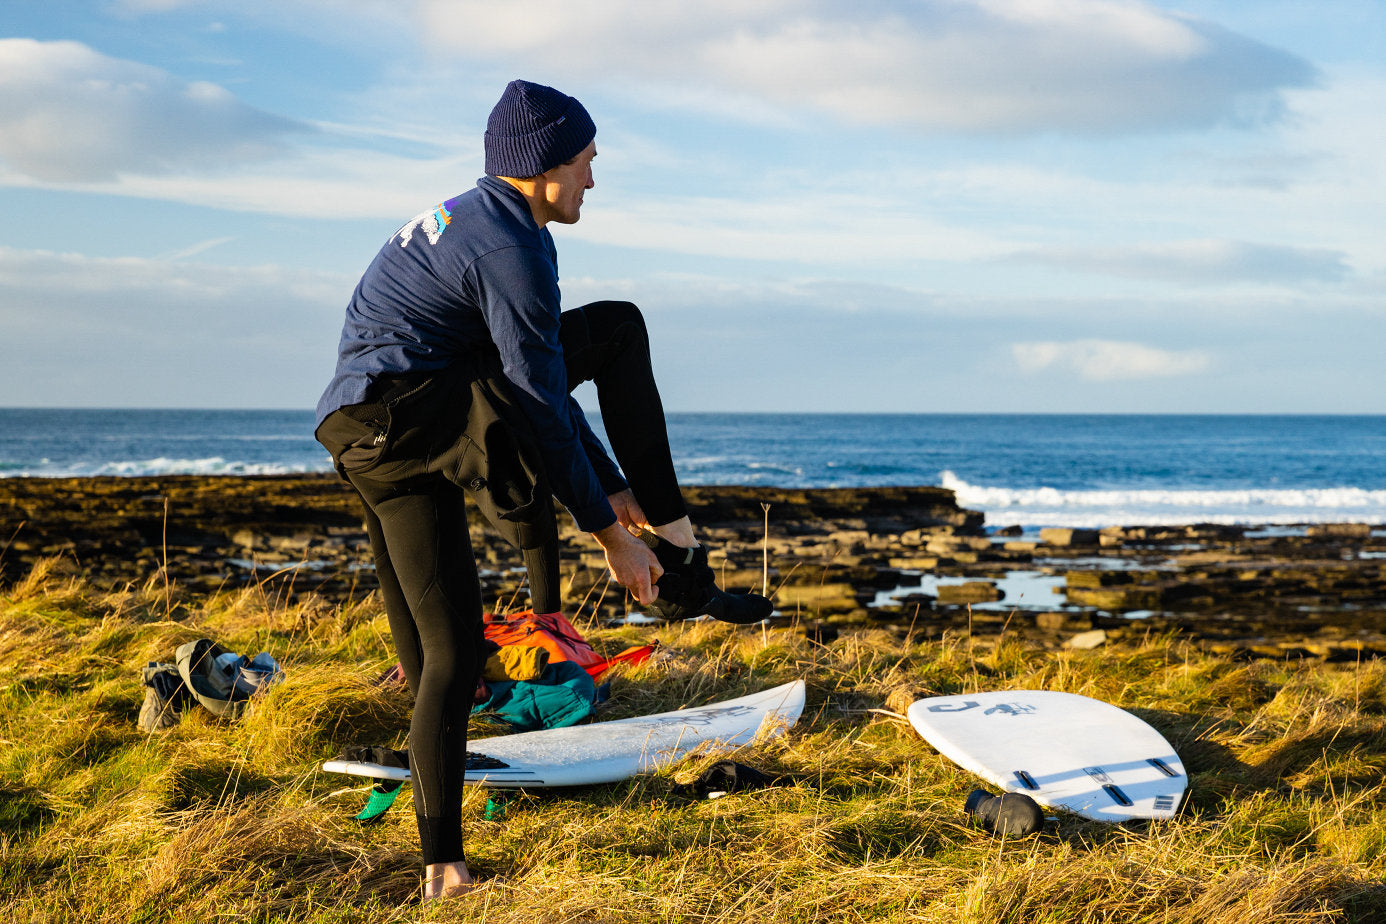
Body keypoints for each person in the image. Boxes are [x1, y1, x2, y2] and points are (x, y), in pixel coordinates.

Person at [314, 79, 772, 903]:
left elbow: (539, 380)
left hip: (369, 424)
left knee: (434, 648)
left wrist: (610, 486)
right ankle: (443, 866)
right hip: (403, 427)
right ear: (544, 164)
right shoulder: (509, 249)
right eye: (586, 161)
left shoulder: (491, 221)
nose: (593, 178)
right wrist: (611, 534)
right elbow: (532, 399)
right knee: (452, 650)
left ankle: (436, 767)